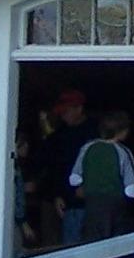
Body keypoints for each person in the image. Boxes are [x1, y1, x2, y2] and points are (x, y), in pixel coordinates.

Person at [69, 111, 134, 258]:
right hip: (116, 210)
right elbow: (132, 188)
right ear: (122, 131)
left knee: (92, 255)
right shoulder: (122, 152)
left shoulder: (87, 148)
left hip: (92, 208)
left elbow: (74, 178)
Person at [32, 89, 96, 245]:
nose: (63, 116)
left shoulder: (95, 133)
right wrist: (57, 194)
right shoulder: (59, 136)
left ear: (79, 109)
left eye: (66, 111)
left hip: (94, 201)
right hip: (68, 203)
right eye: (61, 113)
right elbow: (55, 167)